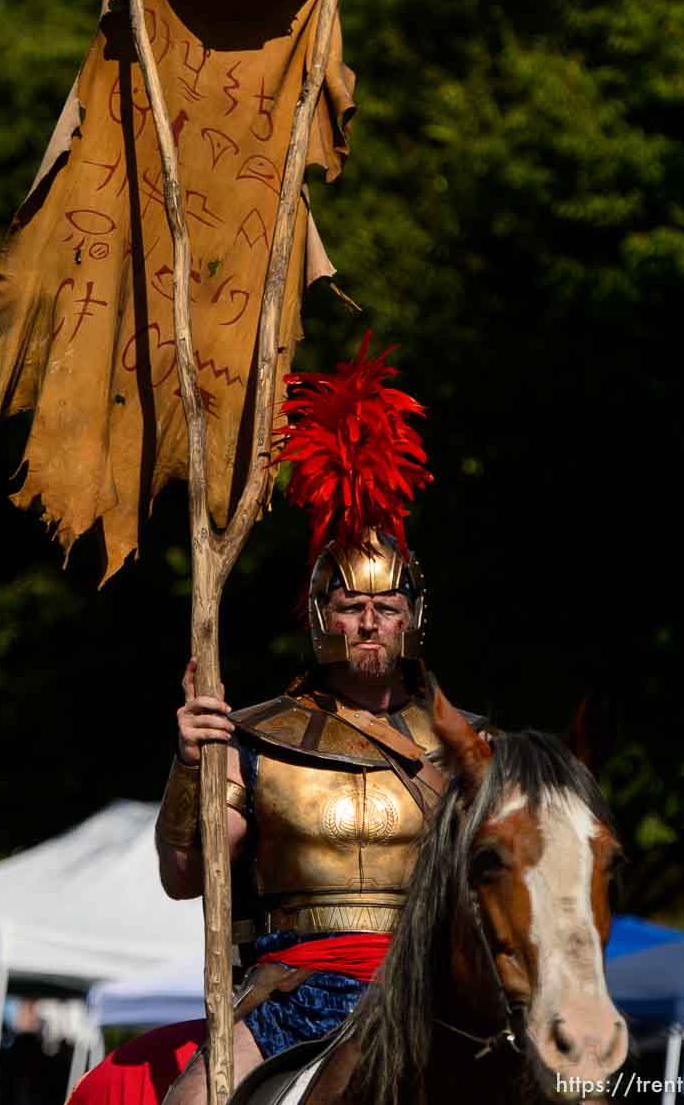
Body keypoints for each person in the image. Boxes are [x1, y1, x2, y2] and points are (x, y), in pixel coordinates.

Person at [67, 338, 487, 1105]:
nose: (368, 622)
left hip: (430, 989)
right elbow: (185, 876)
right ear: (319, 616)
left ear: (411, 621)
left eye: (385, 607)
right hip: (292, 986)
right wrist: (190, 762)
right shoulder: (254, 735)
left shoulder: (469, 745)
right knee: (192, 1101)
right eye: (350, 606)